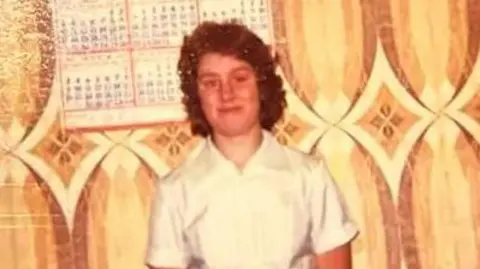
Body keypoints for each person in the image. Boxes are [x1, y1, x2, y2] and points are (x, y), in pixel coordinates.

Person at [145, 20, 359, 269]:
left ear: (261, 85)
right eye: (211, 82)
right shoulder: (175, 191)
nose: (227, 94)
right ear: (196, 94)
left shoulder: (310, 177)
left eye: (240, 78)